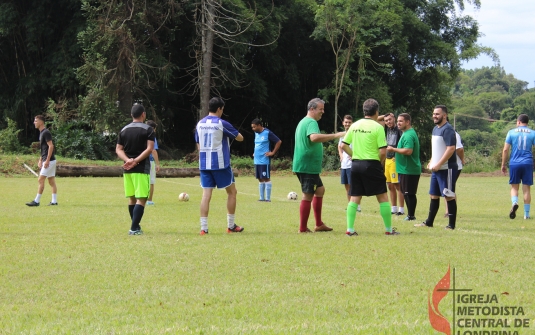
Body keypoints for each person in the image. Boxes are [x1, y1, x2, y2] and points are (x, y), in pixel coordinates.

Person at [341, 98, 399, 236]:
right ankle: (389, 230)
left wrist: (354, 154)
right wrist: (378, 163)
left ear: (364, 111)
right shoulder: (378, 127)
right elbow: (383, 151)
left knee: (354, 197)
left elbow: (343, 145)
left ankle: (350, 229)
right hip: (372, 164)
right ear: (377, 111)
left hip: (355, 165)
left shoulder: (354, 125)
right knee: (383, 197)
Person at [292, 98, 345, 233]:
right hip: (307, 165)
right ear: (312, 109)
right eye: (320, 109)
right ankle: (303, 228)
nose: (323, 111)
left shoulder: (304, 122)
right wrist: (336, 135)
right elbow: (314, 138)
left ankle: (319, 224)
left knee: (320, 190)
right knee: (308, 194)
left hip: (308, 165)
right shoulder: (311, 122)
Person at [195, 97, 244, 235]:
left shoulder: (200, 124)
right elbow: (240, 137)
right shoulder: (221, 123)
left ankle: (203, 228)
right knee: (232, 192)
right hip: (220, 164)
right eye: (222, 109)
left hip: (204, 164)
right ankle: (231, 225)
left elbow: (198, 142)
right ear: (219, 109)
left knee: (206, 195)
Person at [414, 105, 458, 230]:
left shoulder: (448, 129)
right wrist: (432, 161)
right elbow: (437, 149)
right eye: (434, 113)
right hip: (436, 169)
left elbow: (451, 149)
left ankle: (451, 225)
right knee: (433, 195)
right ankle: (429, 222)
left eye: (437, 114)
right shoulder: (435, 129)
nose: (434, 116)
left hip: (446, 168)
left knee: (449, 195)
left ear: (444, 115)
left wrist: (439, 164)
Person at [116, 104, 155, 235]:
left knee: (132, 198)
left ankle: (136, 226)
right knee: (142, 198)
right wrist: (136, 161)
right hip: (141, 168)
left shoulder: (124, 130)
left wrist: (128, 160)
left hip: (127, 169)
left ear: (131, 115)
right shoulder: (148, 129)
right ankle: (133, 228)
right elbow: (149, 148)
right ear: (143, 114)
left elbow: (118, 149)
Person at [386, 113, 421, 221]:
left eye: (401, 121)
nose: (398, 123)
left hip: (409, 169)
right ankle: (410, 215)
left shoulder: (408, 135)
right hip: (404, 168)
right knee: (406, 192)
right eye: (398, 121)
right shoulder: (406, 133)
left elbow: (408, 151)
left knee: (409, 193)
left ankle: (411, 215)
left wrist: (393, 150)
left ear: (407, 122)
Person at [501, 114, 535, 220]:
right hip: (528, 163)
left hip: (514, 163)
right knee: (526, 189)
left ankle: (515, 202)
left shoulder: (511, 132)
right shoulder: (533, 133)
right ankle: (526, 214)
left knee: (514, 187)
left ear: (518, 122)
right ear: (527, 122)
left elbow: (506, 150)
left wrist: (503, 164)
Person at [26, 115, 58, 207]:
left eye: (36, 121)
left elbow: (51, 146)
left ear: (41, 122)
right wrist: (41, 160)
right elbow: (43, 149)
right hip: (48, 160)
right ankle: (54, 202)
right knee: (51, 181)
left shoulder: (46, 132)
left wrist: (47, 160)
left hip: (50, 161)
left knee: (40, 179)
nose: (34, 123)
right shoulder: (41, 133)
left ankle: (36, 201)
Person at [251, 118, 282, 202]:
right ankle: (261, 198)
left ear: (259, 125)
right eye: (252, 127)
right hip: (257, 160)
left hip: (264, 160)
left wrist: (272, 152)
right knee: (260, 178)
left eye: (254, 127)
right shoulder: (256, 133)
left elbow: (278, 141)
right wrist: (255, 152)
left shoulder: (267, 133)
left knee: (266, 178)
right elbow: (257, 144)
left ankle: (268, 198)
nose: (253, 129)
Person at [338, 115, 361, 212]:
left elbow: (360, 146)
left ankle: (357, 207)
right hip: (344, 165)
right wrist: (341, 155)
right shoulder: (343, 135)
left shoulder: (355, 134)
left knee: (354, 186)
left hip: (353, 165)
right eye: (346, 122)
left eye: (349, 122)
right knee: (347, 186)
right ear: (343, 123)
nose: (347, 124)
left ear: (352, 123)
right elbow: (340, 146)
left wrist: (355, 155)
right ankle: (350, 206)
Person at [384, 112, 405, 215]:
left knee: (397, 185)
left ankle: (401, 209)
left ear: (394, 119)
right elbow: (375, 119)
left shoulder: (399, 130)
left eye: (390, 119)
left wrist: (398, 156)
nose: (388, 122)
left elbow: (403, 144)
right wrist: (384, 115)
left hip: (394, 159)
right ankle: (394, 208)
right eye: (386, 120)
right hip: (387, 160)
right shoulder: (386, 129)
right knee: (390, 185)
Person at [444, 130, 464, 217]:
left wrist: (462, 159)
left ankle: (449, 211)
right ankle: (448, 210)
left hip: (454, 165)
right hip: (445, 166)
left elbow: (459, 149)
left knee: (449, 189)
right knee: (446, 188)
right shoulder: (439, 132)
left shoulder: (453, 133)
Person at [146, 120, 160, 205]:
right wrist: (157, 163)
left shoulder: (140, 134)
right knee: (151, 181)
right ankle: (149, 200)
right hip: (150, 161)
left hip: (140, 161)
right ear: (153, 128)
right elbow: (153, 151)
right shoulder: (152, 136)